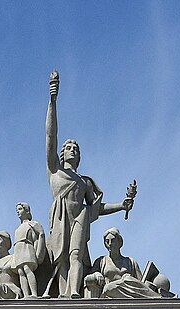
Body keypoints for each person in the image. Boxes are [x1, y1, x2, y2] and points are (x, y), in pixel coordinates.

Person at [45, 71, 135, 297]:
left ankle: (74, 292)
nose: (72, 150)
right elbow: (50, 135)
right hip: (60, 215)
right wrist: (53, 102)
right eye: (68, 147)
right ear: (62, 154)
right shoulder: (54, 169)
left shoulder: (85, 182)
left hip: (79, 216)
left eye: (76, 148)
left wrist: (121, 206)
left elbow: (97, 208)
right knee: (62, 257)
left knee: (76, 254)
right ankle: (63, 294)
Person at [84, 228, 171, 299]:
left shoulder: (130, 261)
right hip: (109, 291)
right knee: (108, 288)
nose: (110, 244)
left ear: (119, 242)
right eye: (107, 241)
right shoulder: (101, 261)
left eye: (113, 240)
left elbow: (140, 283)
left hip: (129, 290)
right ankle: (156, 297)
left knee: (128, 279)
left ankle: (156, 297)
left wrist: (127, 279)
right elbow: (88, 278)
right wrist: (96, 274)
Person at [10, 203, 50, 298]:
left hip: (27, 247)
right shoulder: (18, 228)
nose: (18, 212)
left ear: (26, 210)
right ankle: (26, 295)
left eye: (20, 209)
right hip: (18, 249)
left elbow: (40, 235)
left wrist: (38, 251)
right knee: (20, 271)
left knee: (27, 269)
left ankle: (34, 294)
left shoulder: (33, 224)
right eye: (17, 210)